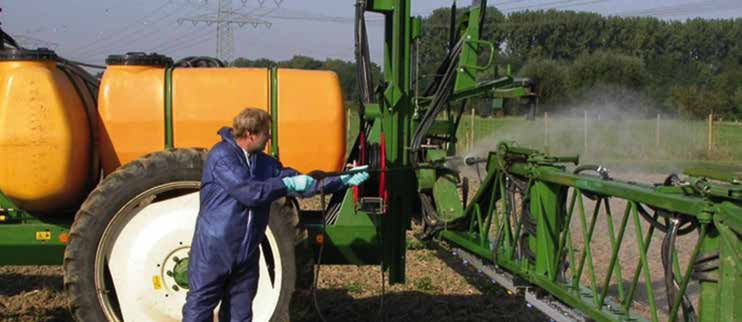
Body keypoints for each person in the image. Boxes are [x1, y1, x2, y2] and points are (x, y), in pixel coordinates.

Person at [182, 108, 369, 322]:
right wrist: (285, 184)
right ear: (251, 134)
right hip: (214, 251)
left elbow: (301, 183)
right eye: (266, 133)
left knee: (240, 314)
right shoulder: (222, 156)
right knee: (199, 308)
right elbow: (250, 192)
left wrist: (343, 179)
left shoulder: (263, 162)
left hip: (246, 253)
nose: (269, 137)